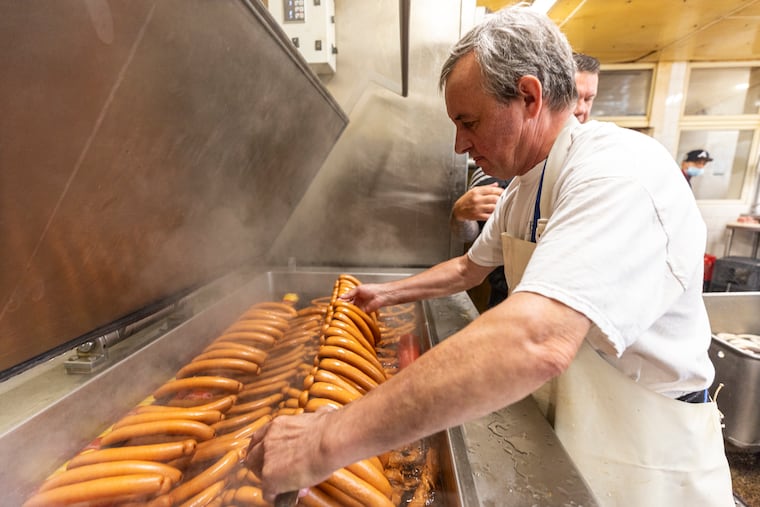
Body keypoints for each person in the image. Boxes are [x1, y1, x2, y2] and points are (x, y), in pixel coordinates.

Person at [246, 6, 734, 506]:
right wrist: (386, 292)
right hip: (573, 434)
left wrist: (325, 439)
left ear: (528, 96)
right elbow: (467, 268)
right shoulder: (526, 187)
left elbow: (537, 338)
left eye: (469, 121)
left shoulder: (619, 175)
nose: (460, 145)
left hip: (646, 463)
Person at [450, 51, 600, 309]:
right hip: (508, 298)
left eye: (589, 99)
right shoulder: (515, 183)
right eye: (576, 97)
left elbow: (552, 318)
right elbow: (469, 266)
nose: (581, 109)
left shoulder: (601, 173)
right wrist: (459, 214)